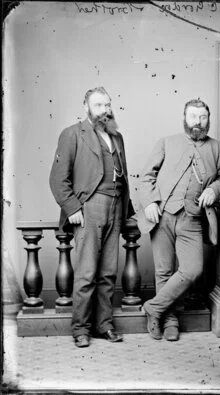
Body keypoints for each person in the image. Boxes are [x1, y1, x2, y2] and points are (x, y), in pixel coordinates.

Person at [137, 99, 220, 341]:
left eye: (202, 117)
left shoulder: (217, 149)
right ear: (184, 118)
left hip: (193, 218)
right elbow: (146, 177)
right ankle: (168, 320)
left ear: (208, 119)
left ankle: (153, 307)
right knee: (164, 271)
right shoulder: (167, 142)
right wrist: (149, 202)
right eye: (193, 117)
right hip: (163, 215)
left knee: (191, 269)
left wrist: (215, 189)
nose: (197, 123)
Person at [49, 87, 135, 347]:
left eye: (107, 105)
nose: (105, 110)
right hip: (89, 208)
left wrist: (127, 213)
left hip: (116, 207)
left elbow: (124, 177)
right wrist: (73, 208)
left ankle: (104, 324)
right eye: (98, 105)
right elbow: (57, 179)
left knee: (108, 272)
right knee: (86, 273)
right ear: (86, 107)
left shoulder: (116, 137)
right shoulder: (72, 134)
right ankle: (81, 329)